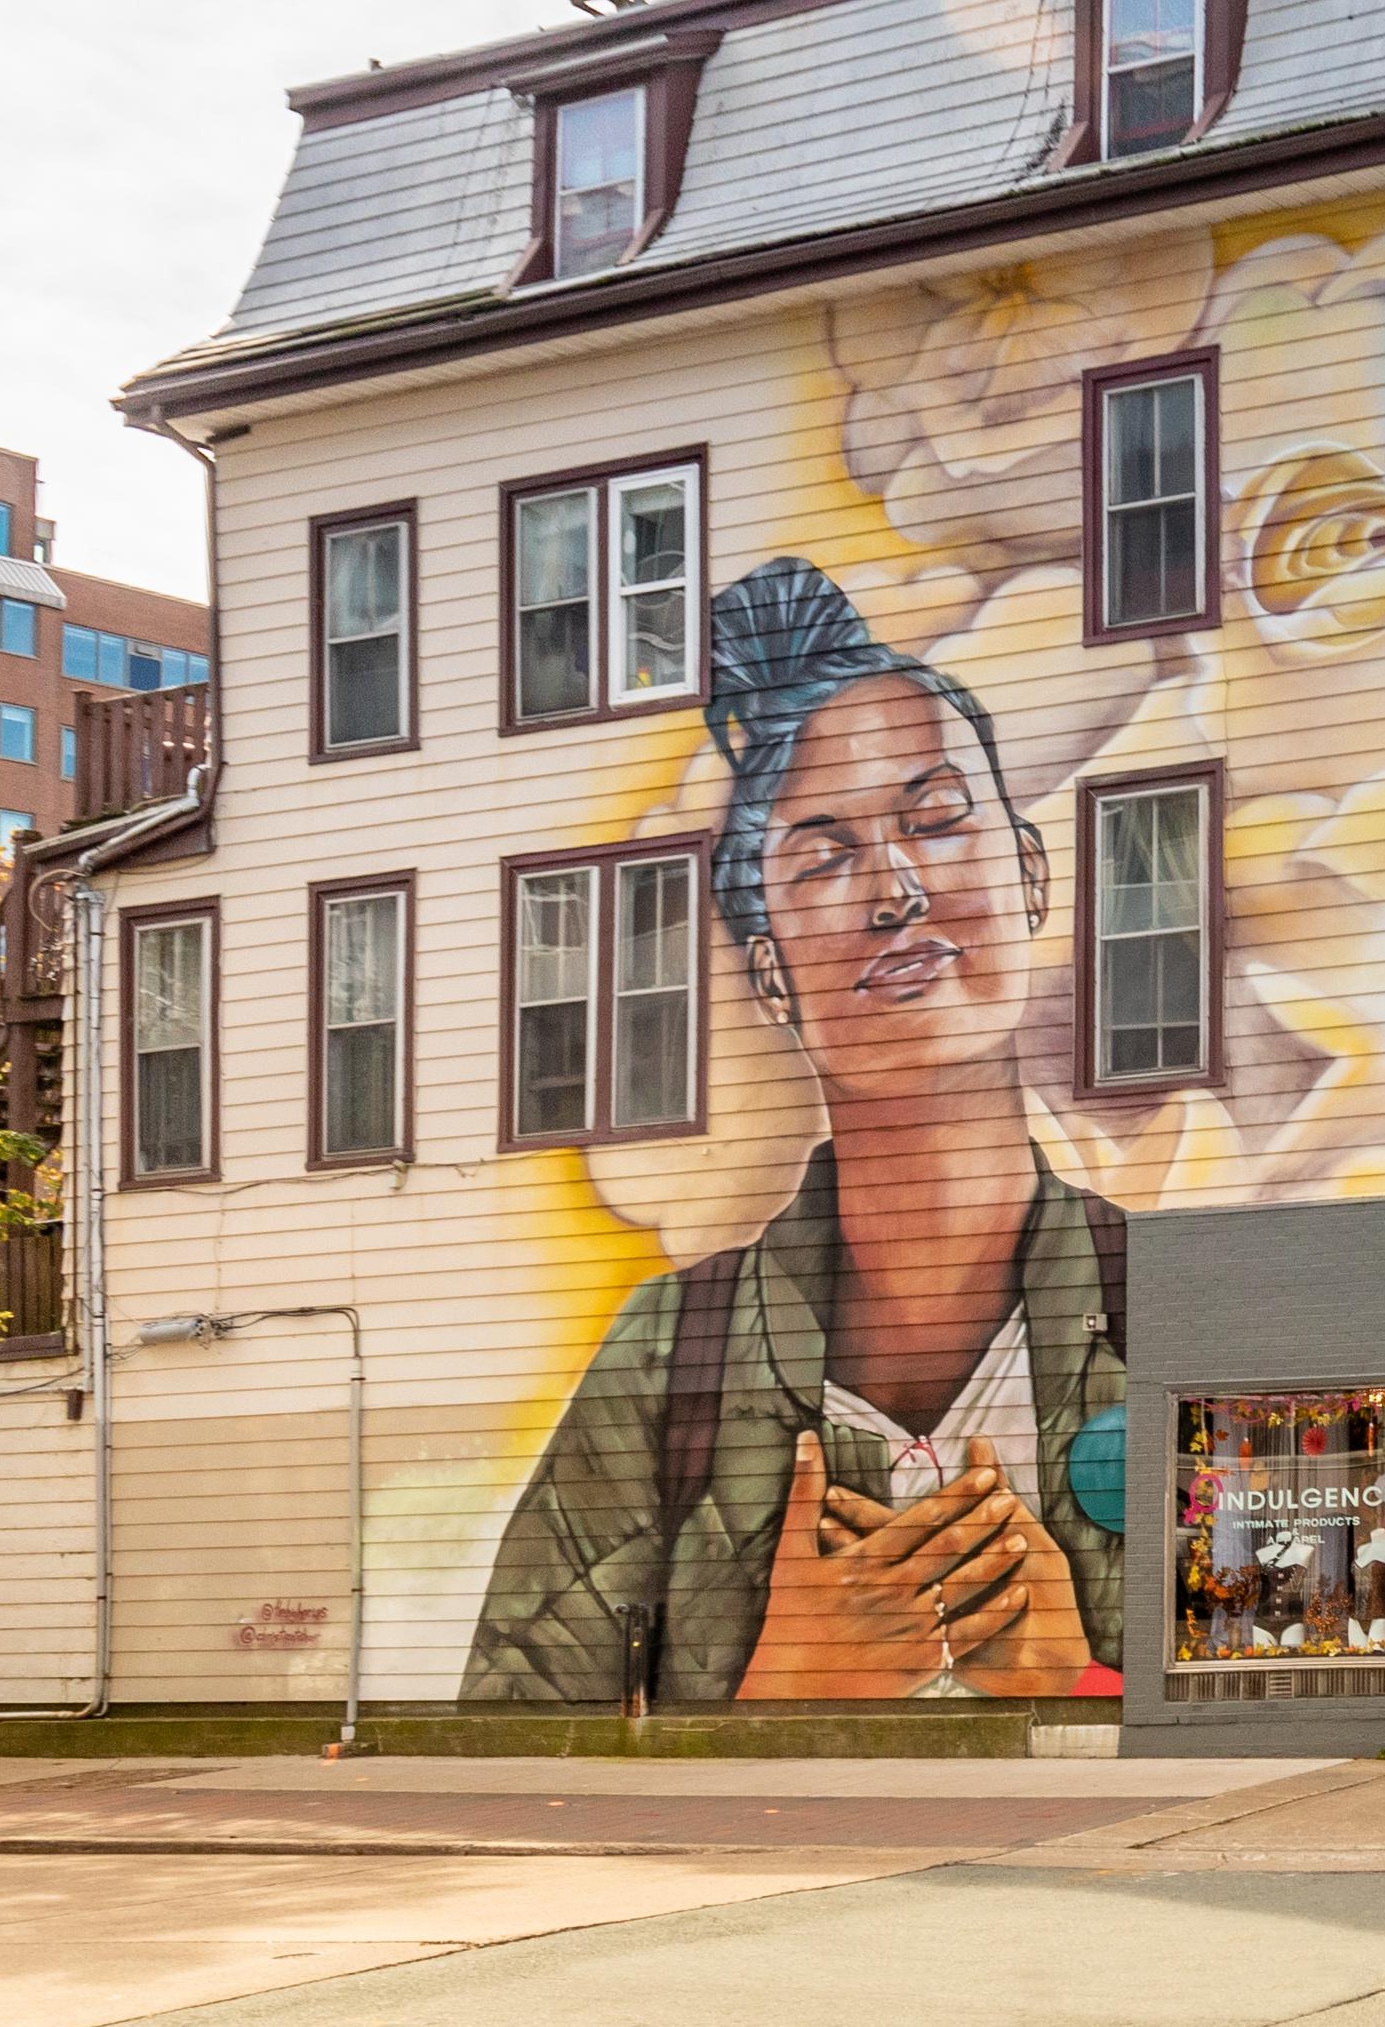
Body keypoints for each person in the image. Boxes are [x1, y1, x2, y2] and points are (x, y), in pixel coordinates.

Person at [463, 559, 1131, 1706]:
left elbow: (1313, 1669)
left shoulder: (1179, 1305)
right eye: (822, 856)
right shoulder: (677, 1351)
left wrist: (1078, 1678)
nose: (897, 892)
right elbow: (516, 1729)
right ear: (766, 969)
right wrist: (776, 1691)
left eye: (937, 820)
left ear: (1027, 873)